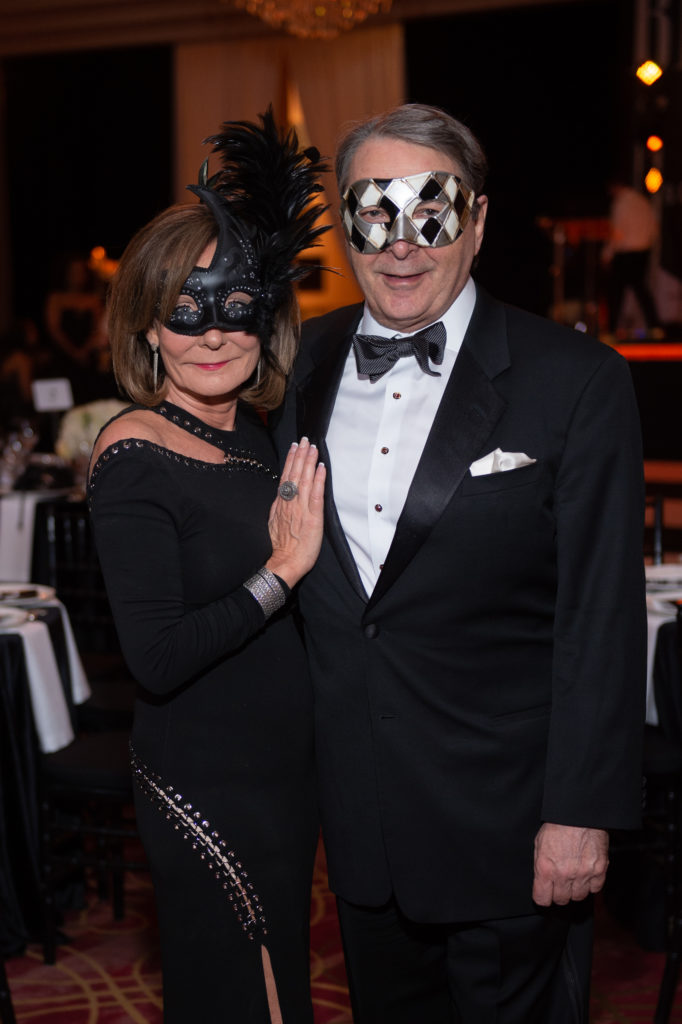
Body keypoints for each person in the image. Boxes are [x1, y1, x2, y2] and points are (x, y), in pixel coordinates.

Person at [275, 104, 646, 1023]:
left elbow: (601, 615)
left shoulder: (576, 380)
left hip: (512, 830)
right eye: (374, 214)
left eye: (431, 211)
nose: (402, 244)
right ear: (344, 225)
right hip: (362, 828)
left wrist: (581, 812)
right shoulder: (298, 366)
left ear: (477, 221)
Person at [88, 111, 327, 1022]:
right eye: (186, 310)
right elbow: (157, 656)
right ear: (149, 328)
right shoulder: (133, 451)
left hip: (283, 776)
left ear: (264, 319)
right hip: (205, 780)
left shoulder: (261, 435)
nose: (214, 333)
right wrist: (281, 573)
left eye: (236, 306)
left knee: (279, 988)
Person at [601, 180, 662, 336]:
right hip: (642, 251)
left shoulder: (621, 203)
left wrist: (607, 254)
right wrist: (646, 244)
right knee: (641, 289)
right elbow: (654, 227)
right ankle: (655, 326)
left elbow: (617, 232)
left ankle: (612, 329)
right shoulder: (642, 201)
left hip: (625, 252)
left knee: (616, 291)